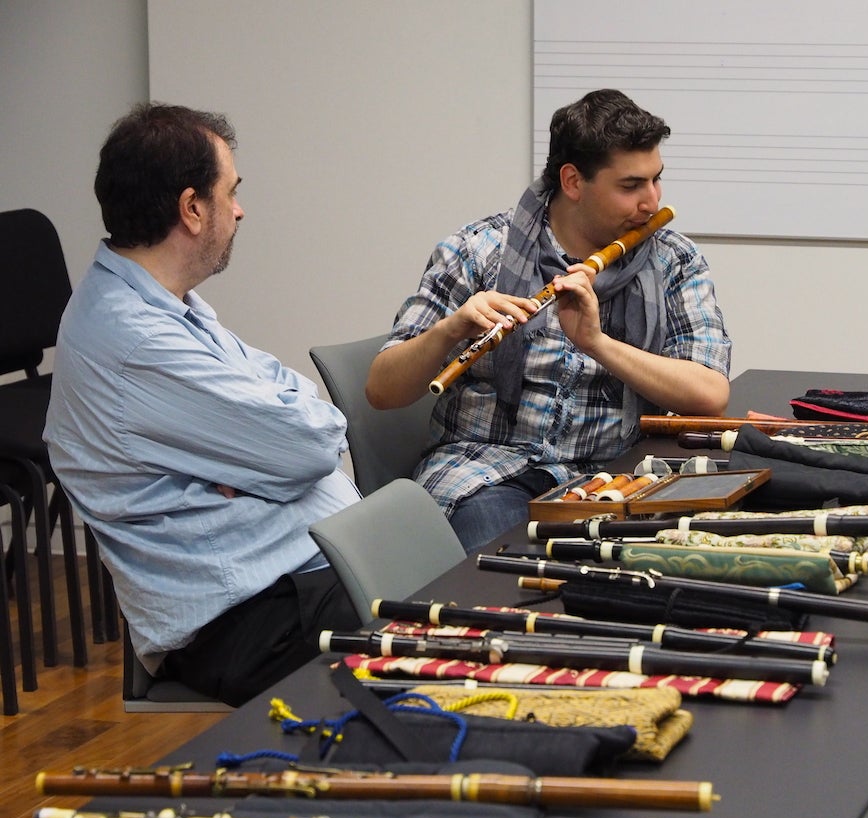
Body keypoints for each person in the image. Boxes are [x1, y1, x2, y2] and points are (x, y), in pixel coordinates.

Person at [44, 103, 362, 706]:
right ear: (192, 208)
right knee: (446, 634)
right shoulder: (136, 339)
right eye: (230, 193)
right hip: (247, 619)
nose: (239, 210)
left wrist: (257, 462)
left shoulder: (162, 302)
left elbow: (292, 398)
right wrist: (272, 460)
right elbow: (313, 444)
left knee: (454, 591)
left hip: (290, 579)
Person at [366, 89, 731, 552]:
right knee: (508, 577)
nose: (652, 201)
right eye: (630, 186)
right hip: (488, 472)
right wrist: (451, 329)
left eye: (656, 180)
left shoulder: (674, 260)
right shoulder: (477, 250)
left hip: (613, 477)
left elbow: (709, 393)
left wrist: (597, 343)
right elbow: (382, 390)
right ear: (573, 182)